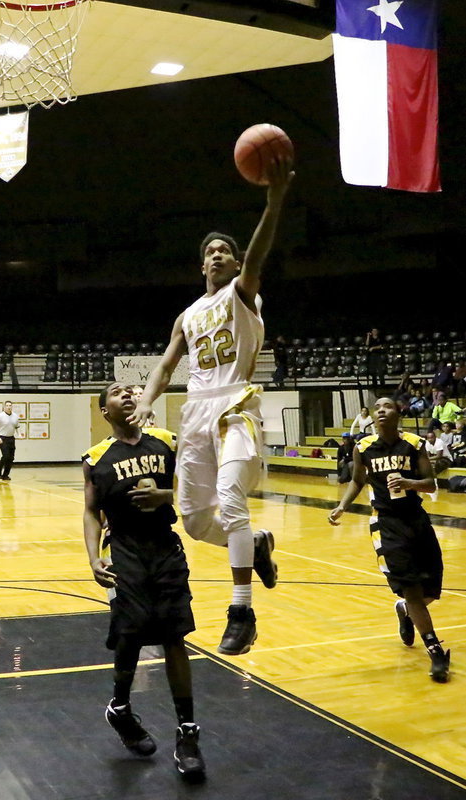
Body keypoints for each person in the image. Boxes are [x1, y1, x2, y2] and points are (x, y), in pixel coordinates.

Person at [130, 157, 293, 656]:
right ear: (201, 265)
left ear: (236, 262)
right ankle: (258, 542)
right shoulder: (188, 314)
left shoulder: (242, 293)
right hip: (195, 410)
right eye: (211, 252)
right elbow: (163, 364)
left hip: (234, 402)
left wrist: (274, 199)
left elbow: (259, 254)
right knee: (197, 521)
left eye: (227, 250)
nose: (218, 255)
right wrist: (147, 400)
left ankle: (241, 610)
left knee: (230, 495)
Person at [82, 383, 205, 781]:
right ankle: (119, 708)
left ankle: (187, 733)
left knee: (175, 636)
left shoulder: (167, 442)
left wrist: (165, 495)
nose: (128, 395)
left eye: (131, 390)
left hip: (165, 549)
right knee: (130, 634)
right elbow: (90, 512)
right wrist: (92, 558)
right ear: (105, 411)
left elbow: (194, 490)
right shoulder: (96, 458)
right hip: (124, 552)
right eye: (117, 393)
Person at [328, 397, 450, 683]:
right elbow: (358, 480)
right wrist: (342, 506)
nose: (381, 411)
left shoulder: (413, 443)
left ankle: (405, 612)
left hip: (416, 520)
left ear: (398, 413)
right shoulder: (364, 447)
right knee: (412, 588)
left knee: (430, 590)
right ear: (373, 416)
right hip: (387, 523)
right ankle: (435, 652)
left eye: (388, 407)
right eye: (377, 408)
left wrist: (410, 484)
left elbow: (431, 483)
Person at [0, 401, 21, 480]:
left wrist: (19, 434)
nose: (9, 407)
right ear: (4, 407)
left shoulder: (15, 416)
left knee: (11, 458)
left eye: (10, 405)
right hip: (2, 438)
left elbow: (17, 427)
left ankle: (5, 475)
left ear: (12, 407)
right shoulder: (0, 416)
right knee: (6, 455)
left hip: (11, 438)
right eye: (7, 405)